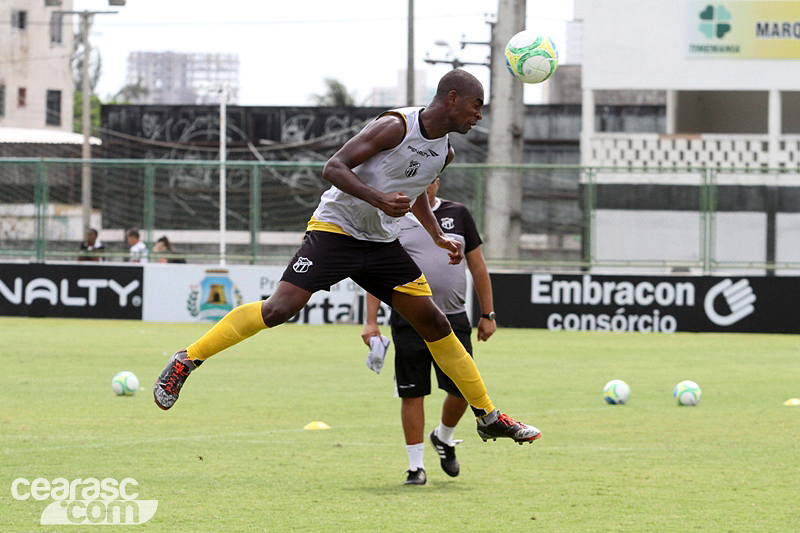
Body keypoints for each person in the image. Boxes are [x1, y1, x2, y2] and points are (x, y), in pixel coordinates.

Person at [153, 69, 541, 451]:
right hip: (335, 230)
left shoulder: (445, 151)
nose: (479, 115)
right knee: (278, 310)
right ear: (452, 98)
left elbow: (417, 187)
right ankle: (187, 359)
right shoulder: (395, 125)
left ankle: (488, 416)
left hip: (380, 243)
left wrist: (437, 234)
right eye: (477, 106)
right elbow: (333, 167)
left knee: (435, 323)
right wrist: (379, 199)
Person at [361, 177, 497, 485]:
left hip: (453, 318)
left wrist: (487, 313)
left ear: (436, 180)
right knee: (413, 392)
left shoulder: (458, 213)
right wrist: (371, 321)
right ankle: (415, 467)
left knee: (463, 389)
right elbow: (376, 273)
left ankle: (444, 436)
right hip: (409, 319)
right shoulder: (392, 217)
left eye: (430, 178)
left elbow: (478, 266)